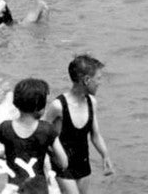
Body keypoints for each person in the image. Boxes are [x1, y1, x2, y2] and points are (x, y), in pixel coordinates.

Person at [0, 78, 67, 194]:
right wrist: (48, 150)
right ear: (38, 107)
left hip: (14, 189)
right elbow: (64, 163)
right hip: (39, 189)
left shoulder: (5, 128)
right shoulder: (47, 129)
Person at [43, 55, 115, 193]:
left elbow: (95, 135)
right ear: (87, 80)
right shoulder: (58, 106)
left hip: (83, 165)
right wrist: (46, 164)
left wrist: (105, 156)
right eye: (98, 78)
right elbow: (42, 134)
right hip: (62, 166)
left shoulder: (91, 103)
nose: (100, 83)